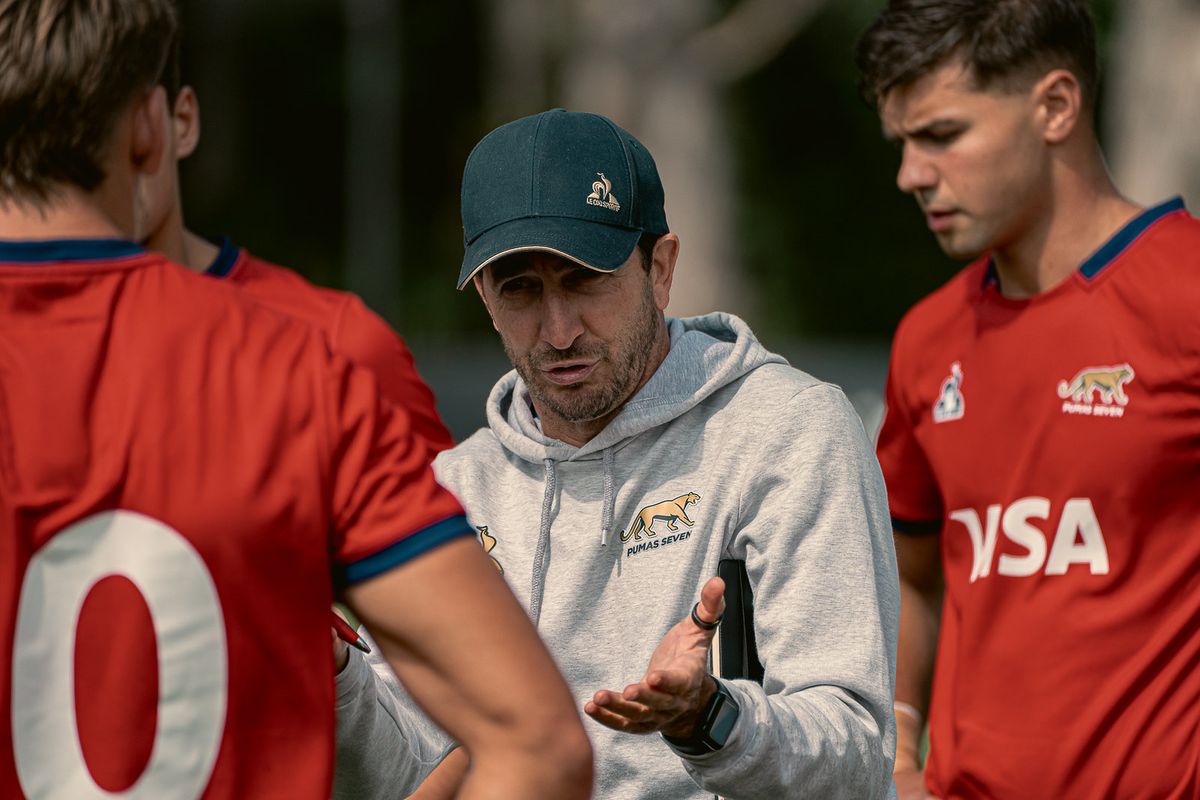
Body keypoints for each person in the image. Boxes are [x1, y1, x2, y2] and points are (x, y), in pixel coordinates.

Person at [0, 2, 593, 798]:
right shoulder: (298, 367)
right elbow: (538, 741)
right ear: (148, 127)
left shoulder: (323, 348)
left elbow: (418, 730)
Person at [334, 108, 900, 799]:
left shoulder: (790, 430)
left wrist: (710, 720)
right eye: (520, 288)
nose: (558, 331)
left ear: (660, 268)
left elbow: (855, 757)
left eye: (583, 278)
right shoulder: (452, 488)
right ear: (484, 297)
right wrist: (333, 676)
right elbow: (412, 775)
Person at [855, 1, 1200, 797]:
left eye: (942, 135)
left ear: (1056, 107)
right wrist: (898, 752)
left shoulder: (1186, 295)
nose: (911, 174)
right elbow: (908, 575)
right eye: (902, 143)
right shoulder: (927, 339)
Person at [139, 42, 453, 455]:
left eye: (122, 119)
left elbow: (461, 503)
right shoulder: (44, 356)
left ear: (181, 121)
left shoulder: (340, 350)